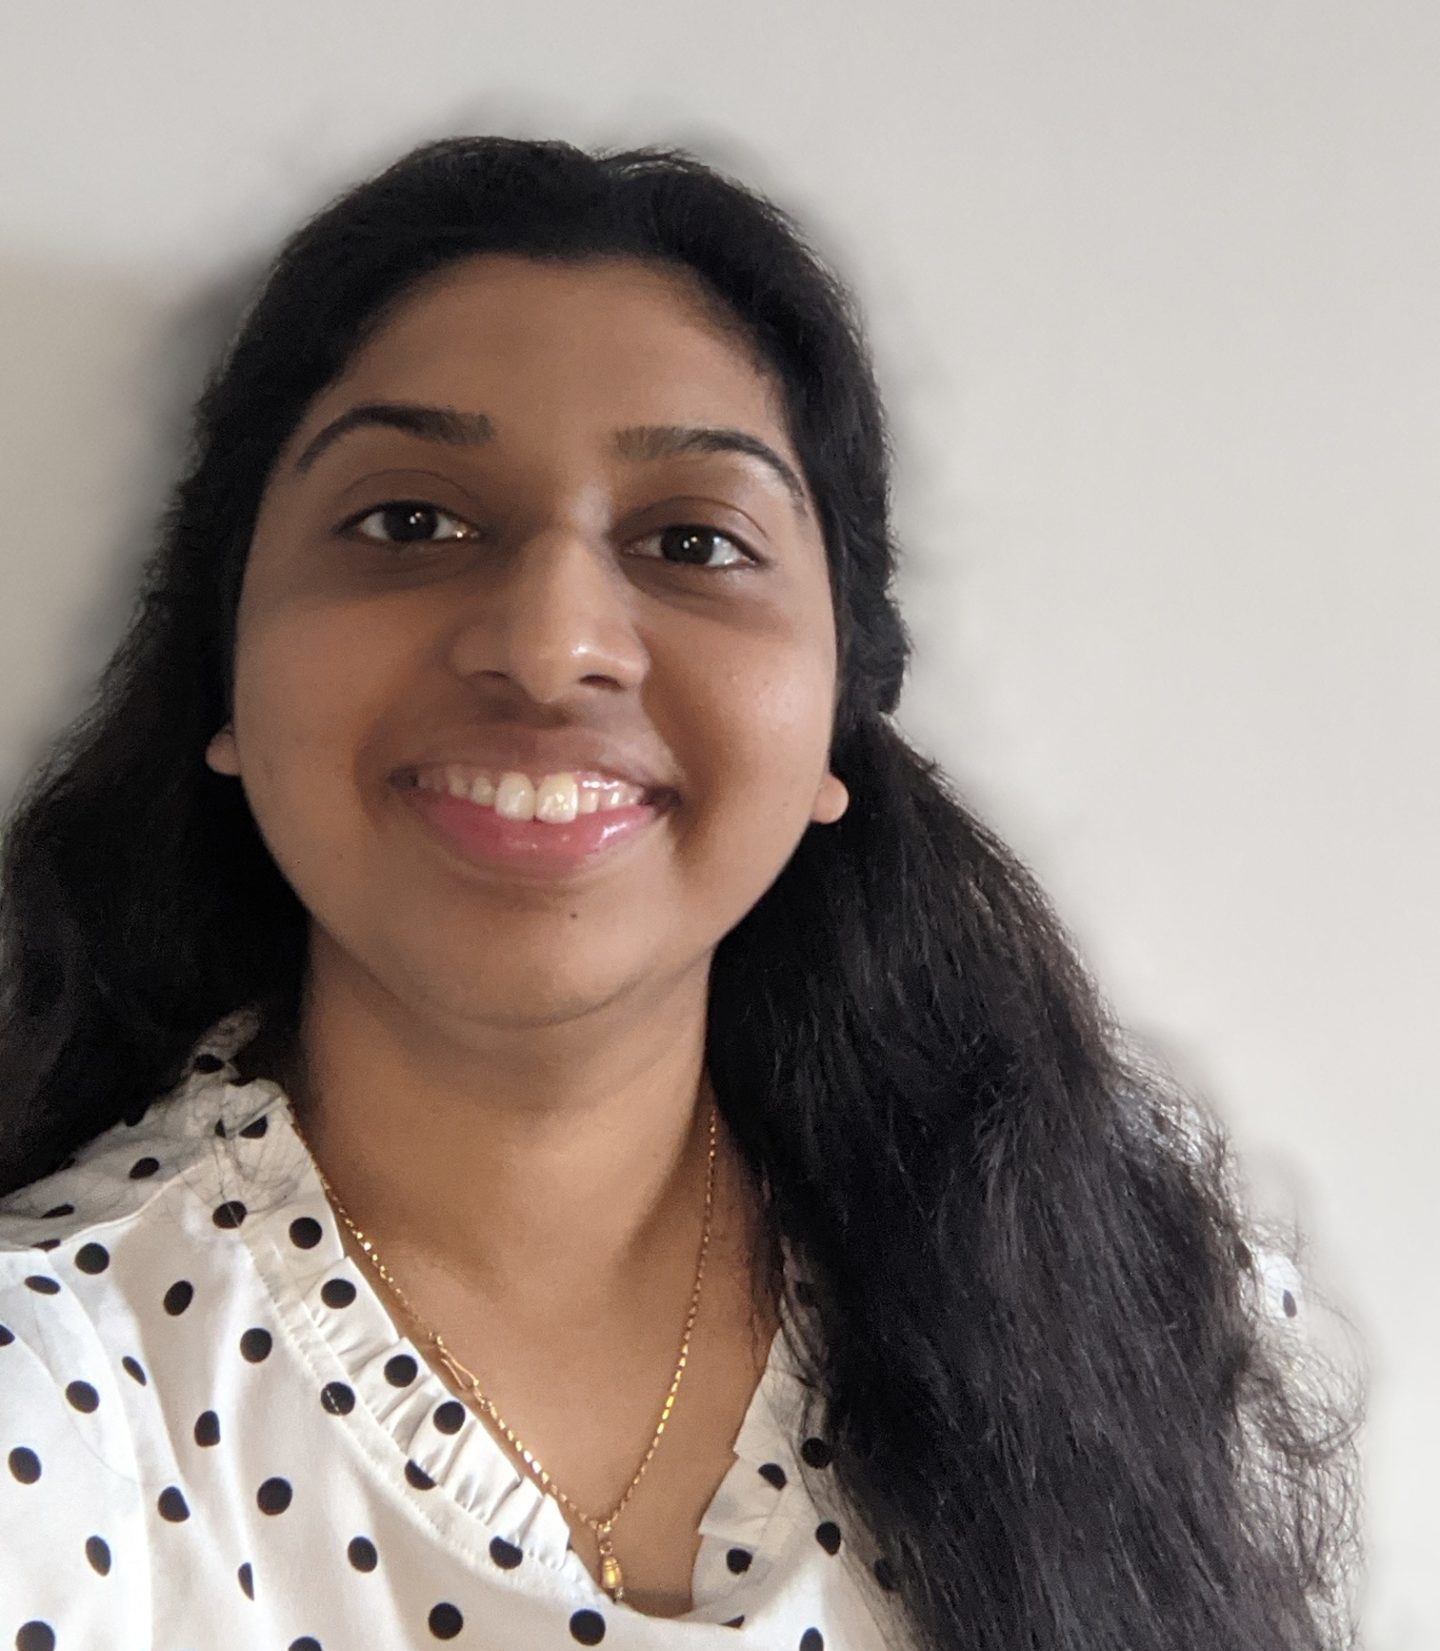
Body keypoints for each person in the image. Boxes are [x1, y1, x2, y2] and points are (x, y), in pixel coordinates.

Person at [0, 135, 1363, 1651]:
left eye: (693, 540)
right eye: (409, 522)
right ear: (229, 684)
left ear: (841, 719)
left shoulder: (1120, 1297)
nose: (552, 640)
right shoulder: (54, 1419)